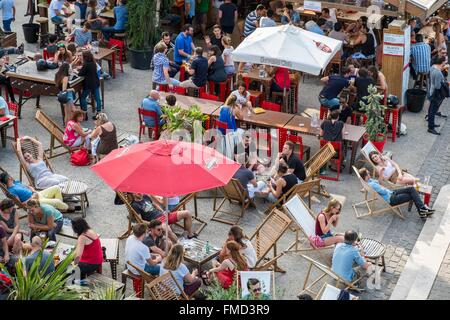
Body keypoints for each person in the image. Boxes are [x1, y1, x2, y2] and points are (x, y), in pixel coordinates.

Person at [358, 168, 435, 219]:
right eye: (368, 173)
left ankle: (422, 210)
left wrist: (381, 174)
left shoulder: (369, 181)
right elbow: (383, 191)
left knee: (411, 189)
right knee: (413, 195)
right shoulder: (372, 185)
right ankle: (422, 210)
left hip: (392, 193)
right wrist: (383, 187)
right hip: (392, 199)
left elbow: (379, 182)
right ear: (366, 175)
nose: (369, 173)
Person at [130, 193, 196, 241]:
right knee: (168, 229)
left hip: (163, 215)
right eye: (136, 192)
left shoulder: (145, 196)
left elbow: (155, 205)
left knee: (187, 213)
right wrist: (152, 224)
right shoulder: (134, 205)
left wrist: (163, 211)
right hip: (156, 221)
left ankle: (190, 235)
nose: (140, 193)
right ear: (132, 193)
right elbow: (140, 220)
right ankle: (180, 246)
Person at [0, 172, 71, 211]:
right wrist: (32, 197)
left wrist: (33, 190)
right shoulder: (11, 191)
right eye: (10, 175)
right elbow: (21, 204)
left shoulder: (16, 183)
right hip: (34, 201)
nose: (11, 176)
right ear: (9, 178)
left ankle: (60, 208)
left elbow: (27, 187)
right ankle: (66, 207)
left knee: (56, 188)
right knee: (56, 202)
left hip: (37, 193)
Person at [427, 56, 448, 135]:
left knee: (430, 109)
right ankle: (431, 127)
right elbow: (438, 86)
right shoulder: (438, 73)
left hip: (431, 90)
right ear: (442, 62)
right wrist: (445, 83)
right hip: (436, 93)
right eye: (444, 62)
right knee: (433, 110)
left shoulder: (433, 67)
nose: (445, 63)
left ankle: (431, 124)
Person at [79, 51, 102, 119]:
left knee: (83, 97)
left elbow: (80, 74)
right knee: (97, 99)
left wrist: (79, 69)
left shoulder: (86, 65)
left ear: (85, 57)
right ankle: (99, 113)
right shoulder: (93, 63)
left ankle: (85, 114)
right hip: (96, 83)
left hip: (88, 85)